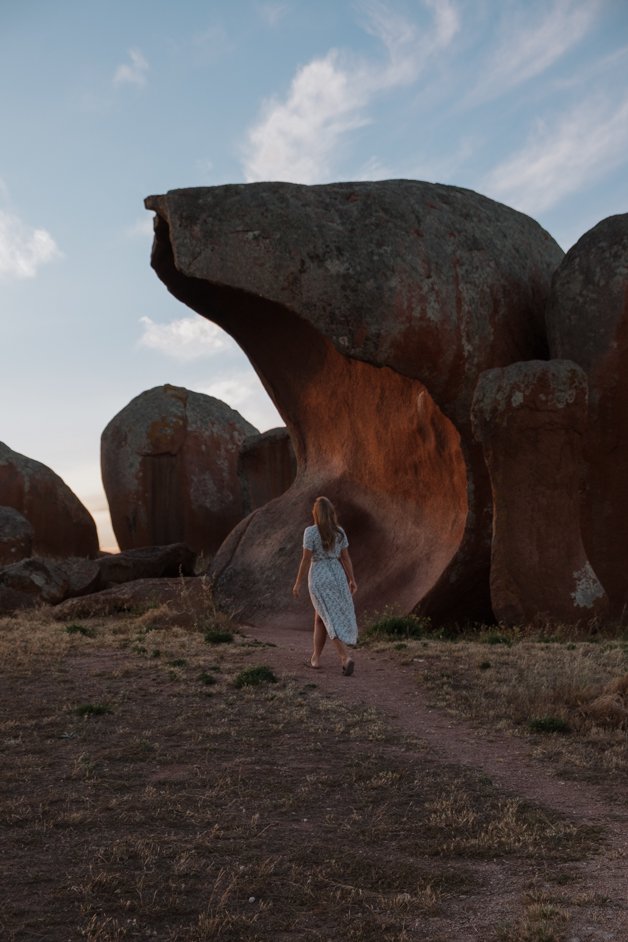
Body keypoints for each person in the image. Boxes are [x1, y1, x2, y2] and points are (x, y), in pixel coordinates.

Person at [292, 496, 358, 675]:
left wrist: (298, 583)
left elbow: (306, 559)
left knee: (328, 617)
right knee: (320, 617)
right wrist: (352, 579)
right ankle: (315, 658)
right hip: (337, 575)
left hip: (319, 576)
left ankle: (344, 657)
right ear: (331, 513)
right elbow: (345, 558)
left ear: (316, 513)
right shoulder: (340, 532)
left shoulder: (310, 532)